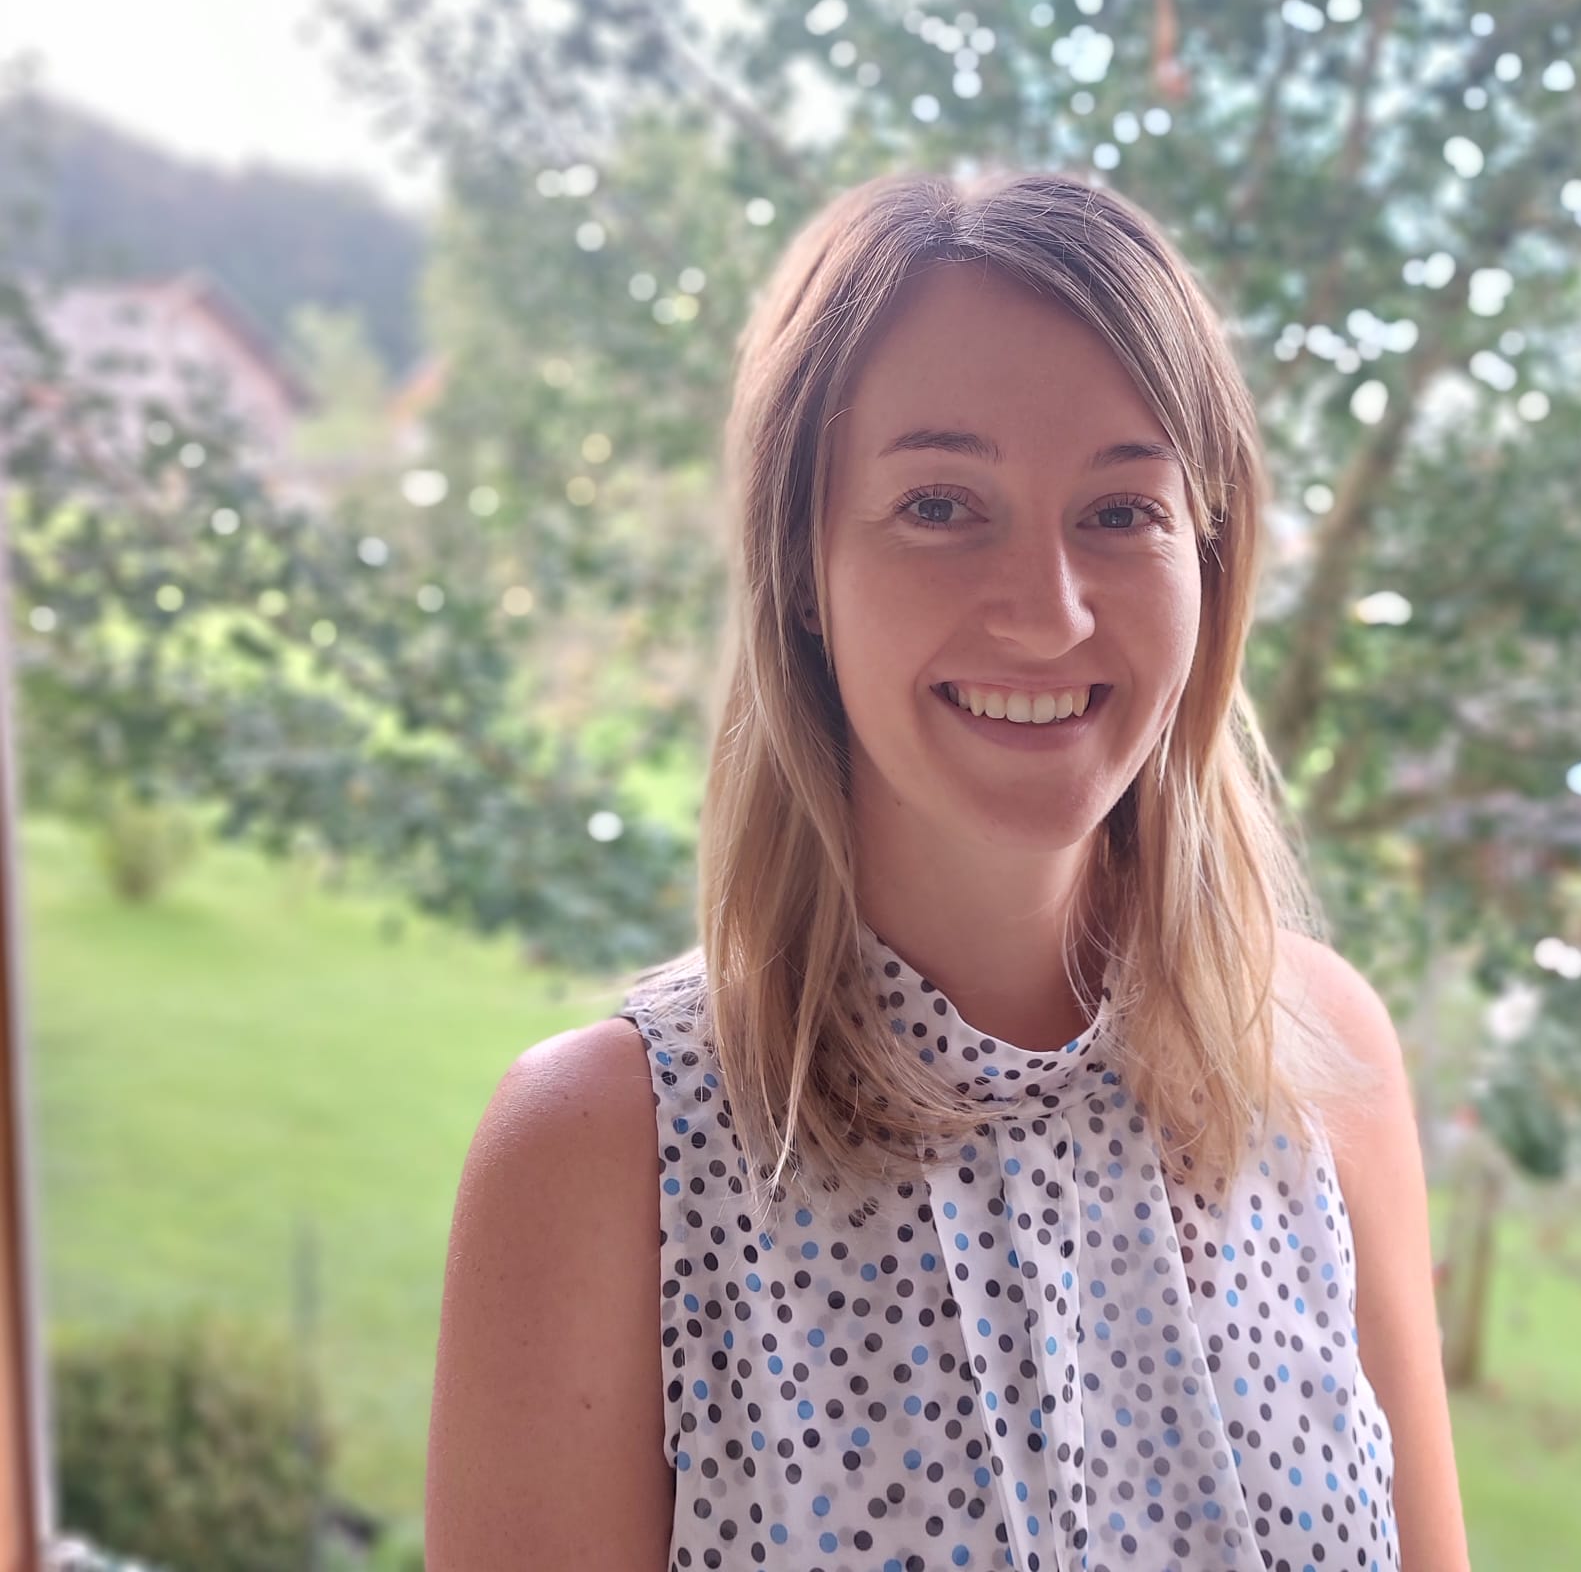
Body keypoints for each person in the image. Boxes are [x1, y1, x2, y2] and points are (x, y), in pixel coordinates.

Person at [424, 169, 1472, 1571]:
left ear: (1210, 560)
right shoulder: (601, 1153)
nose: (1048, 612)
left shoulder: (1321, 1060)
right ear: (800, 566)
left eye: (1122, 511)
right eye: (938, 503)